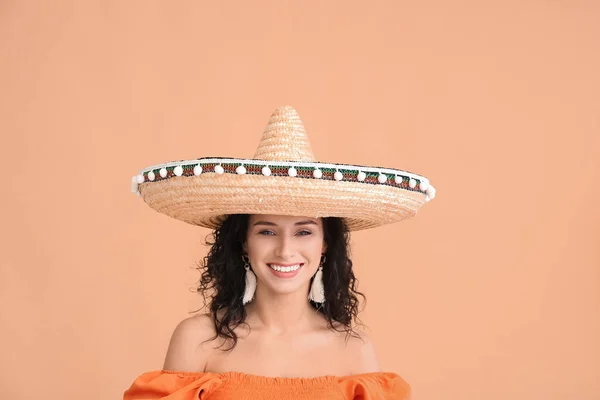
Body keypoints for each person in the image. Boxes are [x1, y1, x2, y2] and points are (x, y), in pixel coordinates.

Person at [124, 106, 436, 399]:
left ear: (325, 244)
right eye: (266, 231)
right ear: (244, 242)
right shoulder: (197, 339)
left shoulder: (355, 349)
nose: (286, 250)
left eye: (304, 232)